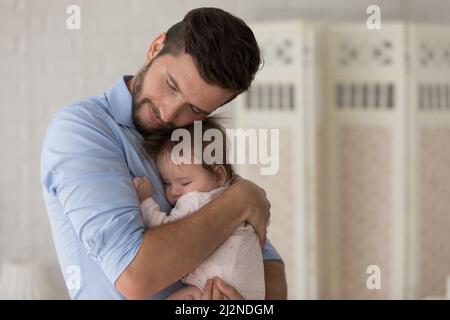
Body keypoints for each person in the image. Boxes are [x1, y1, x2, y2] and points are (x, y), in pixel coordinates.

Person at [41, 7, 287, 299]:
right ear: (155, 47)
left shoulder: (192, 140)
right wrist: (241, 199)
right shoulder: (84, 130)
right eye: (171, 85)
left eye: (195, 109)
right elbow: (135, 275)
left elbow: (266, 261)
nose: (170, 112)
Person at [133, 117, 265, 300]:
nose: (174, 191)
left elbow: (166, 232)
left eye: (184, 182)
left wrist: (146, 201)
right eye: (166, 183)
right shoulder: (231, 192)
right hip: (249, 290)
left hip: (217, 286)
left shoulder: (196, 200)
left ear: (219, 174)